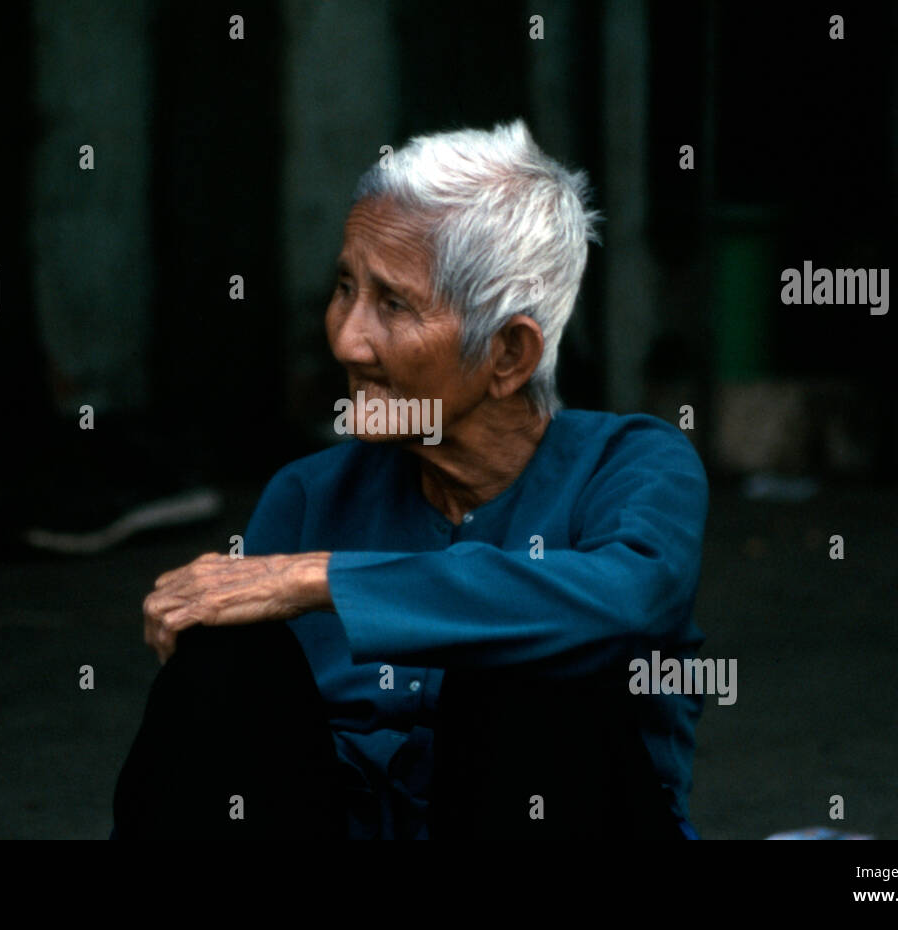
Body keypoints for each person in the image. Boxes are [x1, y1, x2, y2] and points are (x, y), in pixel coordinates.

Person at [113, 119, 708, 840]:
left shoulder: (634, 465)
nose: (345, 339)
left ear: (509, 356)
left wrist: (321, 579)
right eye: (343, 288)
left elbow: (630, 598)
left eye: (393, 304)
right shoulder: (309, 493)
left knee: (525, 659)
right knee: (222, 656)